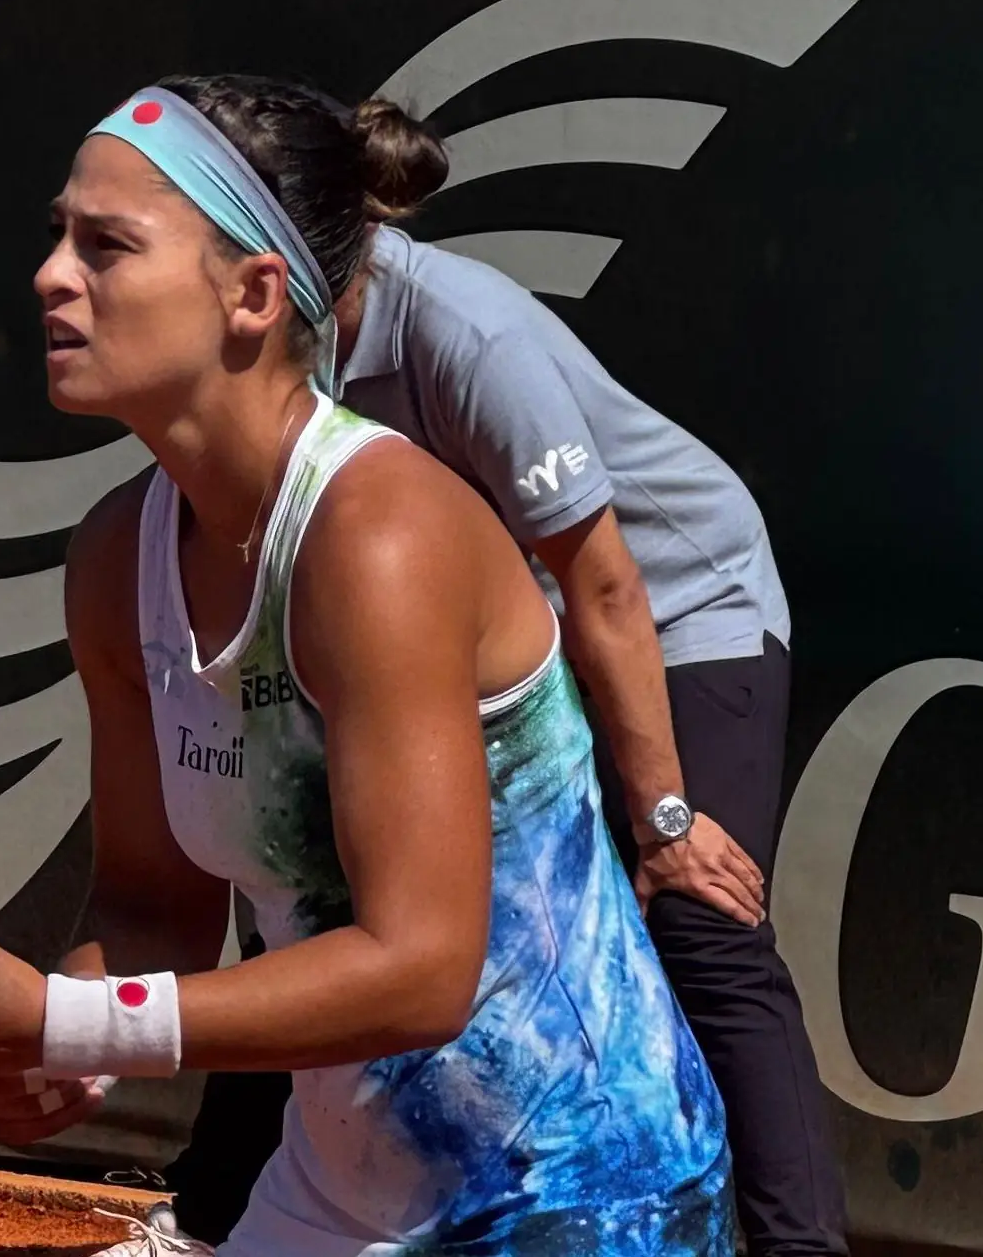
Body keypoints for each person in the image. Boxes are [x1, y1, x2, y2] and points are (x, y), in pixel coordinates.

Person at [0, 76, 732, 1255]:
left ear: (254, 295)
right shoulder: (116, 560)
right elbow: (155, 906)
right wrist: (51, 1040)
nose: (52, 275)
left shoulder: (381, 535)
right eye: (59, 234)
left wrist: (75, 1018)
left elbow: (421, 970)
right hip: (332, 1194)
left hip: (576, 1198)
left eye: (107, 245)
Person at [316, 94, 849, 1256]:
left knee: (702, 923)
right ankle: (223, 1214)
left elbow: (607, 588)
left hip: (681, 602)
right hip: (512, 645)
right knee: (331, 898)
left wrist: (665, 820)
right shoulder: (272, 354)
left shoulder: (467, 335)